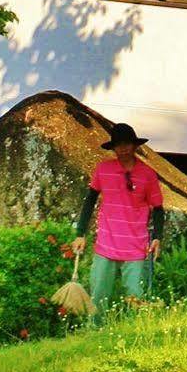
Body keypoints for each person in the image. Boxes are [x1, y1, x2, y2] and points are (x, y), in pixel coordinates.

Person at [71, 122, 165, 320]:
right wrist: (80, 234)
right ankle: (94, 335)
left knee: (136, 299)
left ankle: (136, 335)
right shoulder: (103, 169)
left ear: (135, 145)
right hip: (106, 244)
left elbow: (158, 209)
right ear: (113, 147)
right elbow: (89, 201)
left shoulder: (148, 174)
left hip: (136, 246)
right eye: (118, 145)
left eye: (127, 143)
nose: (123, 148)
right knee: (98, 299)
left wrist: (157, 237)